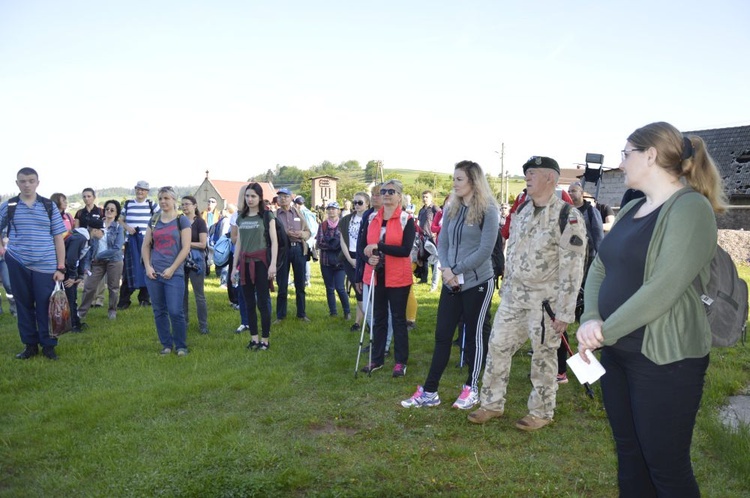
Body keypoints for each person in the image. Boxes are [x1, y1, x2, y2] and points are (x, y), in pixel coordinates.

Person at [576, 122, 726, 497]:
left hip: (664, 361)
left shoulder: (690, 209)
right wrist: (591, 316)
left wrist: (602, 331)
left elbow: (663, 288)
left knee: (666, 467)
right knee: (630, 456)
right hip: (617, 353)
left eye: (626, 154)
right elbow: (600, 265)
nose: (622, 162)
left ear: (651, 155)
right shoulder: (633, 210)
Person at [468, 156, 586, 431]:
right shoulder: (521, 211)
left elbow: (573, 266)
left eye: (533, 172)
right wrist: (506, 289)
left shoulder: (567, 216)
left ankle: (541, 411)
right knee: (497, 346)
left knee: (543, 355)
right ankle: (491, 404)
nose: (527, 177)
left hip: (545, 303)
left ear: (551, 178)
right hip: (514, 299)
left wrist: (566, 312)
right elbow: (513, 253)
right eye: (526, 173)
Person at [401, 160, 498, 409]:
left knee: (474, 336)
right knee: (442, 336)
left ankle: (472, 388)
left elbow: (486, 249)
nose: (454, 184)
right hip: (450, 281)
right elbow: (441, 240)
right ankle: (430, 391)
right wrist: (446, 269)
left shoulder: (489, 209)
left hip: (477, 281)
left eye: (459, 179)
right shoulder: (452, 208)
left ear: (474, 181)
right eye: (453, 179)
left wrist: (455, 270)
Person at [0, 167, 67, 360]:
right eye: (23, 181)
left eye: (31, 180)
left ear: (37, 182)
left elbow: (58, 238)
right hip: (18, 263)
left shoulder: (48, 206)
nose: (27, 184)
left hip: (45, 264)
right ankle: (30, 345)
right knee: (24, 305)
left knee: (47, 306)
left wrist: (60, 267)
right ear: (17, 183)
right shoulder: (9, 206)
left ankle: (48, 345)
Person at [360, 180, 416, 377]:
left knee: (398, 319)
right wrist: (370, 256)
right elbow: (363, 247)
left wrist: (379, 246)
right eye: (383, 191)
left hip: (398, 277)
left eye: (391, 191)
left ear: (399, 196)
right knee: (379, 318)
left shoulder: (406, 219)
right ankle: (377, 359)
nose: (386, 194)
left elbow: (405, 250)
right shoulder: (372, 218)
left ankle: (401, 362)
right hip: (377, 275)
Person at [142, 186, 192, 356]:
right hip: (154, 274)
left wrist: (172, 268)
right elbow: (145, 245)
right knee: (159, 310)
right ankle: (166, 344)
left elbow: (185, 248)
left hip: (174, 273)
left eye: (166, 198)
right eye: (161, 198)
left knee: (175, 311)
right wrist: (148, 267)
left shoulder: (182, 220)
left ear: (174, 200)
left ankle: (181, 346)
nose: (163, 202)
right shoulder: (154, 220)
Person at [232, 183, 278, 351]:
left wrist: (272, 264)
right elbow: (239, 243)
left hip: (261, 264)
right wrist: (233, 268)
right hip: (244, 264)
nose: (249, 199)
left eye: (253, 196)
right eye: (247, 196)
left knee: (263, 303)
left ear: (259, 198)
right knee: (249, 302)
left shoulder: (267, 216)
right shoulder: (241, 217)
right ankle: (254, 339)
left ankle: (265, 340)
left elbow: (274, 242)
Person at [78, 200, 125, 321]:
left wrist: (99, 256)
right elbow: (90, 245)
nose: (109, 211)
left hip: (114, 261)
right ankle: (81, 312)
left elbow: (117, 248)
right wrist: (87, 264)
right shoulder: (97, 224)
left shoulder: (119, 227)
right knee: (89, 287)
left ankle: (112, 311)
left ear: (116, 213)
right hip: (97, 262)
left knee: (113, 288)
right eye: (107, 209)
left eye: (112, 210)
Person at [118, 180, 158, 309]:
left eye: (143, 190)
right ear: (135, 190)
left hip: (147, 242)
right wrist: (127, 228)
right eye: (138, 189)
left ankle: (144, 299)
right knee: (128, 271)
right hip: (131, 242)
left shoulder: (152, 204)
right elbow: (120, 219)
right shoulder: (128, 204)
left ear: (147, 192)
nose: (140, 192)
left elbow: (161, 218)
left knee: (147, 268)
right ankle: (124, 301)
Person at [273, 187, 311, 323]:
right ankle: (280, 316)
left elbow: (308, 231)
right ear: (277, 199)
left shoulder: (298, 213)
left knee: (300, 284)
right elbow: (270, 234)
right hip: (282, 250)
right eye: (280, 196)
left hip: (298, 249)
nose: (283, 198)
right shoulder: (274, 215)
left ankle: (301, 314)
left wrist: (301, 234)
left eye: (285, 196)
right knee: (282, 284)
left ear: (291, 198)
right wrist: (285, 233)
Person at [63, 216, 104, 332]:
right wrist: (71, 276)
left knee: (73, 297)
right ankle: (72, 325)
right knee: (70, 298)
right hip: (64, 270)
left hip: (69, 271)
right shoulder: (80, 239)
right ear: (95, 230)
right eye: (102, 231)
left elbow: (81, 258)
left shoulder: (86, 238)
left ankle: (75, 322)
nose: (103, 234)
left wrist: (79, 275)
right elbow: (71, 258)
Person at [316, 201, 351, 319]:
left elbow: (346, 242)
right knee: (329, 288)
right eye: (329, 209)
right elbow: (319, 242)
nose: (331, 211)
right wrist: (334, 245)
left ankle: (347, 312)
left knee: (340, 287)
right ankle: (333, 312)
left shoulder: (343, 224)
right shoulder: (323, 225)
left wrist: (334, 245)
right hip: (325, 261)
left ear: (338, 211)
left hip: (340, 262)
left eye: (334, 209)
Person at [340, 192, 369, 331]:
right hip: (349, 257)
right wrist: (350, 259)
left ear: (367, 204)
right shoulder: (346, 219)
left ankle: (365, 321)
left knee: (364, 290)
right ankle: (363, 321)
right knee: (358, 290)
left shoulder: (370, 219)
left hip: (365, 256)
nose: (356, 205)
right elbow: (343, 240)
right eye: (355, 202)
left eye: (360, 202)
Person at [181, 195, 209, 335]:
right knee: (182, 294)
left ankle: (203, 325)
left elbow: (203, 244)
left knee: (199, 295)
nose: (184, 207)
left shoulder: (200, 223)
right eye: (183, 204)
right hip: (181, 260)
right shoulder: (179, 221)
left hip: (196, 261)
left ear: (194, 206)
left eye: (187, 204)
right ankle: (184, 323)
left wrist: (186, 243)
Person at [416, 190, 440, 287]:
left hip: (432, 237)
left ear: (431, 198)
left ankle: (434, 281)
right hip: (422, 236)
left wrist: (436, 232)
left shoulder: (435, 208)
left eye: (426, 197)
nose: (424, 199)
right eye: (423, 197)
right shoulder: (421, 210)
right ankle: (423, 278)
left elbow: (441, 219)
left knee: (434, 259)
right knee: (423, 258)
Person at [295, 195, 319, 286]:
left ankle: (306, 280)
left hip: (306, 240)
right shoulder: (306, 212)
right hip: (306, 239)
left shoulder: (305, 213)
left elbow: (313, 229)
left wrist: (305, 236)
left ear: (297, 204)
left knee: (305, 260)